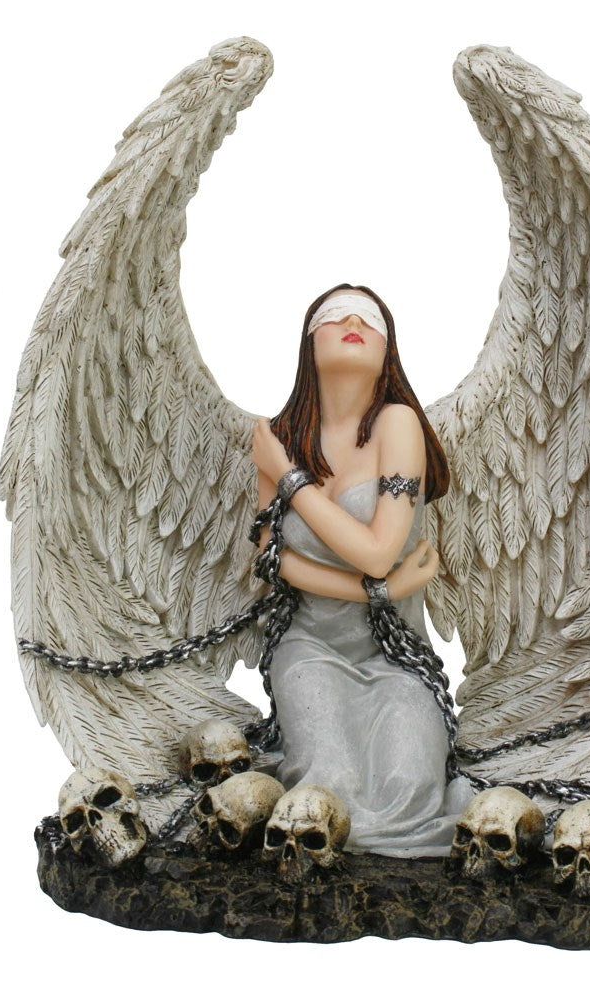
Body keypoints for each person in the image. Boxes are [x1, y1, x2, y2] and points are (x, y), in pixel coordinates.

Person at [250, 283, 475, 857]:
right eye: (334, 315)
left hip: (393, 653)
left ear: (387, 349)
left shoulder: (397, 424)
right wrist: (382, 589)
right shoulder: (280, 438)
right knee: (328, 787)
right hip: (309, 648)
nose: (353, 321)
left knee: (409, 789)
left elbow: (377, 551)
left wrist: (290, 480)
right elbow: (273, 561)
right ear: (309, 342)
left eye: (369, 318)